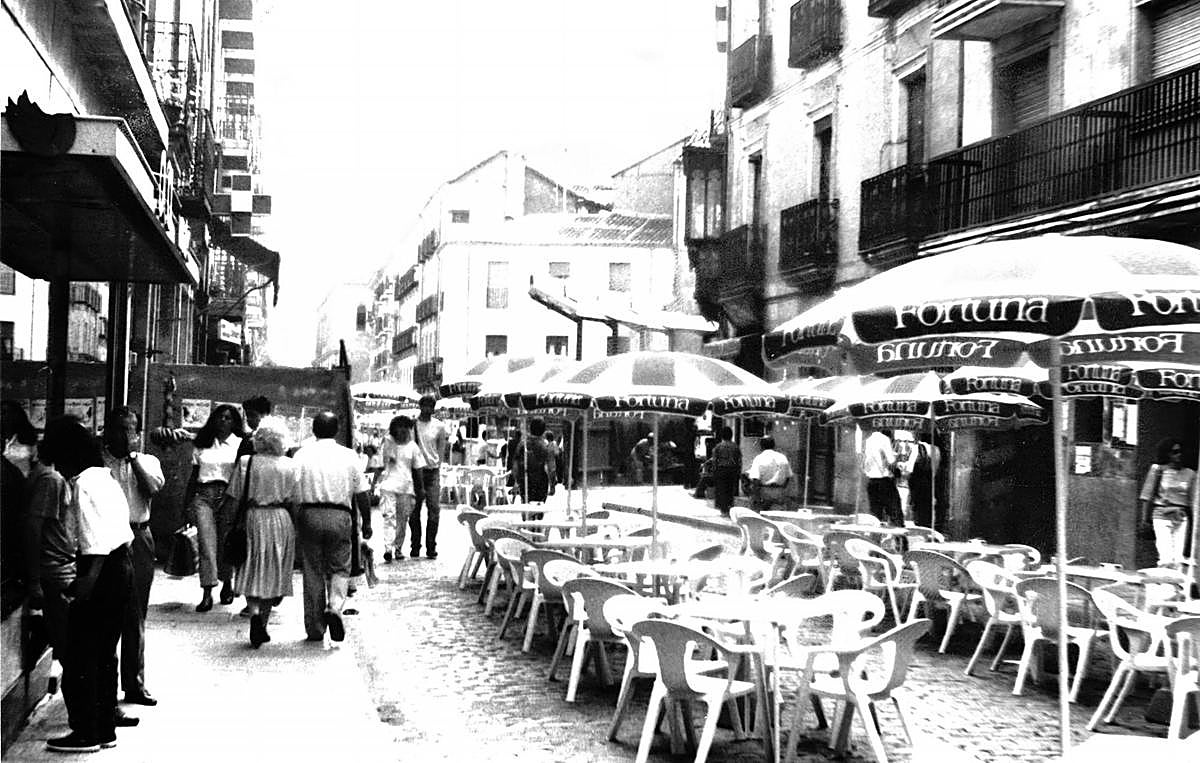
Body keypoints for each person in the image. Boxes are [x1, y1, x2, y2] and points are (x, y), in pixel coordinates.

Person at [40, 416, 133, 753]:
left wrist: (84, 587)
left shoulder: (84, 484)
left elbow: (95, 543)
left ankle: (86, 732)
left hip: (100, 570)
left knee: (81, 654)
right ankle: (104, 728)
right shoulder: (104, 477)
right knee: (105, 654)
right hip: (120, 567)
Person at [101, 406, 163, 707]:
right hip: (106, 538)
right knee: (107, 612)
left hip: (138, 535)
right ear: (108, 431)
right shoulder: (98, 463)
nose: (126, 435)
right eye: (120, 429)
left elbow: (151, 489)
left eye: (131, 429)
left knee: (136, 613)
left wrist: (133, 458)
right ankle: (105, 686)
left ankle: (134, 683)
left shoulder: (148, 461)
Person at [292, 412, 371, 642]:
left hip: (309, 514)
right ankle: (335, 606)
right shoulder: (349, 455)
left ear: (313, 430)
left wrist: (295, 521)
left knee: (313, 569)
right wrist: (366, 522)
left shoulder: (302, 454)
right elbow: (362, 493)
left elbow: (293, 491)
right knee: (340, 567)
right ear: (336, 430)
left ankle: (315, 628)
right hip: (340, 515)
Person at [226, 417, 298, 648]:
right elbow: (295, 501)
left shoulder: (246, 462)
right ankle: (263, 624)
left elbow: (234, 497)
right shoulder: (290, 465)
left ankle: (254, 612)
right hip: (280, 519)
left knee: (251, 566)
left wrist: (230, 523)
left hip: (252, 518)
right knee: (273, 569)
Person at [185, 404, 244, 612]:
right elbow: (194, 475)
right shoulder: (202, 443)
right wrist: (187, 504)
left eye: (228, 418)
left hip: (229, 494)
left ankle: (227, 583)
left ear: (235, 422)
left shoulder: (239, 443)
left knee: (225, 542)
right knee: (206, 544)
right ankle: (207, 592)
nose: (223, 421)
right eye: (220, 417)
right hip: (204, 495)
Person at [370, 415, 426, 562]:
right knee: (389, 517)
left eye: (405, 427)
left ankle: (398, 547)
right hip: (388, 485)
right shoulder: (388, 443)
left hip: (406, 487)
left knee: (402, 519)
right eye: (399, 427)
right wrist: (373, 484)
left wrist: (420, 489)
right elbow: (380, 465)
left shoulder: (413, 447)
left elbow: (418, 469)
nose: (402, 431)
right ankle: (388, 548)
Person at [1140, 437, 1196, 569]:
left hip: (1181, 517)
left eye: (1180, 451)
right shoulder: (1158, 470)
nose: (1179, 455)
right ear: (1167, 454)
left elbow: (1193, 501)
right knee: (1165, 557)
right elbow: (1147, 496)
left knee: (1178, 558)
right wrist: (1144, 520)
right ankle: (1163, 580)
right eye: (1174, 452)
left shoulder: (1190, 474)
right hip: (1162, 514)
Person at [410, 395, 447, 560]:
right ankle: (415, 545)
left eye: (430, 406)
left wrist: (438, 464)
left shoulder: (439, 426)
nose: (427, 409)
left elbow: (441, 448)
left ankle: (431, 546)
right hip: (416, 472)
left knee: (434, 509)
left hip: (432, 472)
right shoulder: (412, 425)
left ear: (433, 408)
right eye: (424, 406)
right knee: (414, 511)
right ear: (420, 407)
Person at [862, 428, 904, 526]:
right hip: (884, 481)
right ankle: (898, 534)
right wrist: (897, 464)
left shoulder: (868, 440)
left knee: (876, 515)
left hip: (872, 481)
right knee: (895, 512)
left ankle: (876, 534)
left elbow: (865, 463)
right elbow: (891, 461)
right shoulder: (884, 439)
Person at [746, 436, 793, 511]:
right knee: (778, 514)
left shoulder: (759, 458)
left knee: (761, 515)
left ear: (761, 446)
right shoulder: (782, 457)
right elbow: (788, 476)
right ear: (774, 445)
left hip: (764, 492)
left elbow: (756, 479)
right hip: (779, 492)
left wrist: (755, 497)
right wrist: (782, 488)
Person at [905, 434, 940, 529]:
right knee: (927, 509)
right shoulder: (937, 449)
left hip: (918, 483)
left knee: (917, 509)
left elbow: (909, 469)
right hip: (930, 481)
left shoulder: (917, 448)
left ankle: (918, 528)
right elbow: (936, 468)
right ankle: (927, 528)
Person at [514, 418, 552, 506]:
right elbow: (551, 467)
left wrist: (517, 481)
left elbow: (515, 465)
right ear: (543, 431)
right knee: (539, 507)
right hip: (541, 481)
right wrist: (552, 484)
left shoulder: (522, 444)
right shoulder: (546, 445)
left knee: (526, 505)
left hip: (525, 479)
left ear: (530, 429)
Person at [710, 427, 741, 516]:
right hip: (732, 470)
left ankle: (723, 510)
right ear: (731, 435)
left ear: (722, 436)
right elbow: (739, 460)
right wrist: (738, 471)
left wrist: (714, 471)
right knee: (730, 490)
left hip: (721, 470)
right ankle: (729, 507)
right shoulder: (735, 446)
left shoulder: (718, 446)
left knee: (721, 489)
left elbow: (714, 460)